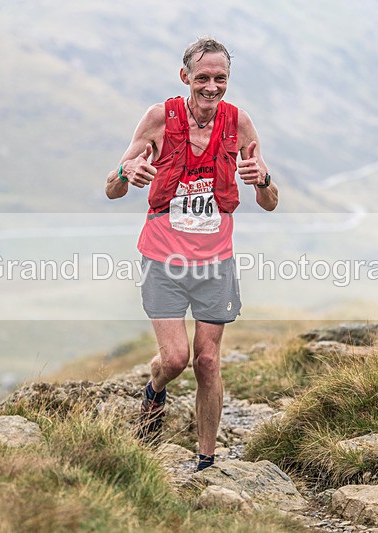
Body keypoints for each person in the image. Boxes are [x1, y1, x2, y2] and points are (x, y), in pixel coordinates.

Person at [105, 37, 278, 472]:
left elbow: (270, 201)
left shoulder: (239, 124)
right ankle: (155, 389)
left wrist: (262, 180)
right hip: (162, 259)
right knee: (175, 359)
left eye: (220, 78)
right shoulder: (159, 119)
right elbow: (112, 188)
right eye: (202, 78)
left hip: (215, 261)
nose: (212, 87)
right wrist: (127, 171)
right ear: (185, 77)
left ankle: (206, 460)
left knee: (207, 360)